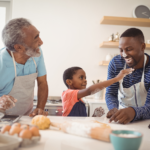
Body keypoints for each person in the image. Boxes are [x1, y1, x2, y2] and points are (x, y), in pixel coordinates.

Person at [0, 18, 48, 116]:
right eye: (36, 38)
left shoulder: (36, 53)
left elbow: (42, 82)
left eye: (38, 35)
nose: (41, 42)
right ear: (19, 47)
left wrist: (40, 108)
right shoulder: (1, 62)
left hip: (25, 117)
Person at [106, 28, 150, 124]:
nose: (124, 54)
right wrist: (113, 108)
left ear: (143, 47)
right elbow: (111, 93)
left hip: (147, 121)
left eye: (129, 49)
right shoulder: (115, 63)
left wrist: (133, 112)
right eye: (121, 50)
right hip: (122, 119)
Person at [62, 66, 133, 116]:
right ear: (69, 82)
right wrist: (116, 79)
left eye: (85, 78)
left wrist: (94, 116)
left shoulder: (79, 100)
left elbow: (82, 121)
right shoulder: (67, 94)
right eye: (81, 77)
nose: (85, 80)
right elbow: (89, 90)